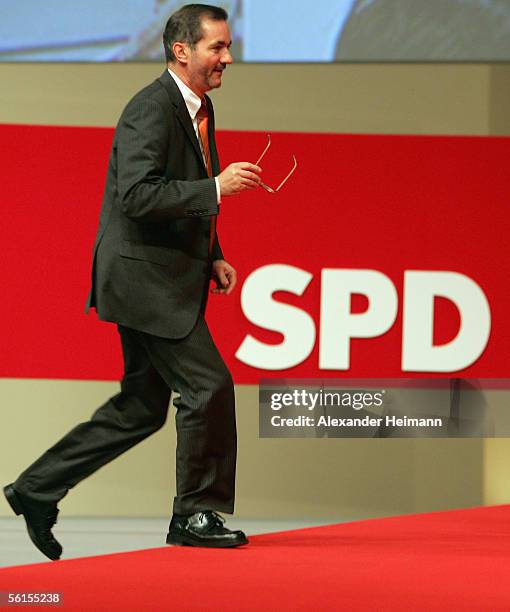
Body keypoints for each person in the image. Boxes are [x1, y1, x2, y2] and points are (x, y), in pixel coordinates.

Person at [3, 3, 262, 560]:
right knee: (208, 387)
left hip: (160, 279)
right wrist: (217, 187)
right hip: (146, 284)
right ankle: (194, 513)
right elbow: (138, 195)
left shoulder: (198, 106)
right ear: (181, 51)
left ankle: (35, 488)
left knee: (141, 407)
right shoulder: (150, 108)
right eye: (217, 47)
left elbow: (184, 191)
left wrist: (214, 253)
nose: (228, 57)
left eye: (227, 46)